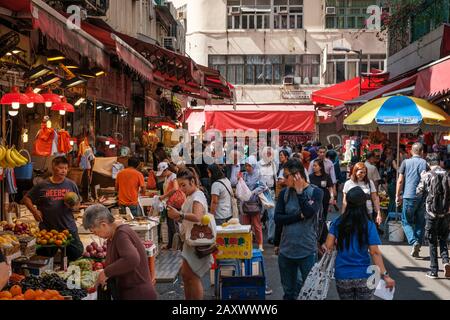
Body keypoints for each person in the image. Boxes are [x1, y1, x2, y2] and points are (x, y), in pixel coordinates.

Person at [324, 187, 395, 300]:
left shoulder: (338, 222)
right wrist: (385, 275)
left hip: (342, 274)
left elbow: (328, 246)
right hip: (363, 274)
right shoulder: (368, 225)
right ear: (363, 204)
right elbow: (374, 252)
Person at [83, 204, 157, 300]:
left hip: (138, 294)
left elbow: (132, 259)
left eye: (95, 232)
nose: (96, 235)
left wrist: (106, 273)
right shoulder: (112, 236)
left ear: (103, 225)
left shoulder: (121, 235)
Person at [274, 159, 323, 300]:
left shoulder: (316, 192)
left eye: (286, 175)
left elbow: (308, 212)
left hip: (307, 250)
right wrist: (277, 243)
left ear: (297, 176)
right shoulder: (284, 193)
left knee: (309, 291)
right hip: (286, 250)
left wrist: (301, 193)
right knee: (289, 292)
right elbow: (278, 219)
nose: (283, 179)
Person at [23, 156, 84, 261]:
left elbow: (78, 204)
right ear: (53, 167)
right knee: (43, 258)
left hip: (68, 228)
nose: (63, 171)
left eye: (65, 168)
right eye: (60, 168)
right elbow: (26, 198)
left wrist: (74, 206)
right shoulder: (42, 185)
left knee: (77, 253)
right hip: (48, 230)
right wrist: (34, 211)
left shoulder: (71, 184)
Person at [167, 168, 212, 300]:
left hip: (196, 241)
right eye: (180, 185)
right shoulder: (191, 196)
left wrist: (179, 214)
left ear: (192, 181)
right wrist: (179, 217)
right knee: (187, 276)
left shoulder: (197, 196)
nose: (181, 188)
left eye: (184, 185)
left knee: (192, 277)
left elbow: (197, 216)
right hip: (190, 240)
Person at [416, 153, 450, 278]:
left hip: (431, 212)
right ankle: (446, 261)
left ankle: (434, 270)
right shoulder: (447, 174)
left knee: (431, 240)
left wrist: (422, 177)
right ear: (439, 162)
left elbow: (418, 191)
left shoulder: (427, 175)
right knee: (443, 239)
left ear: (428, 163)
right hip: (446, 212)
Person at [396, 142, 428, 258]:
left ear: (411, 151)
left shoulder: (405, 162)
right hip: (422, 196)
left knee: (405, 221)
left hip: (408, 196)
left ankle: (414, 241)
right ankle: (417, 244)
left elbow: (400, 181)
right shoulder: (425, 163)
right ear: (422, 152)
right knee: (420, 222)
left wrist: (397, 195)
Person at [240, 155, 268, 252]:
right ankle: (248, 244)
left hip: (255, 203)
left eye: (249, 166)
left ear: (253, 166)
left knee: (257, 225)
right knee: (246, 226)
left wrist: (253, 192)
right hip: (245, 203)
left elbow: (263, 186)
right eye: (246, 165)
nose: (247, 168)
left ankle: (260, 244)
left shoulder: (259, 174)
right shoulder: (244, 175)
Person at [309, 159, 336, 246]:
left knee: (323, 217)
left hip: (324, 199)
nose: (314, 167)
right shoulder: (310, 176)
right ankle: (315, 235)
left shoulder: (326, 176)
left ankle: (322, 237)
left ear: (320, 167)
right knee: (314, 216)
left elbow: (330, 187)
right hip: (313, 200)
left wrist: (332, 197)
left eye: (315, 166)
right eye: (313, 165)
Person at [157, 161, 184, 250]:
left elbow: (175, 188)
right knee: (170, 224)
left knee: (173, 224)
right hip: (169, 202)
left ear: (166, 170)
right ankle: (171, 244)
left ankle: (177, 245)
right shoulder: (168, 177)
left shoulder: (173, 177)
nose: (162, 174)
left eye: (163, 172)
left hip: (174, 203)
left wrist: (164, 196)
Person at [258, 147, 278, 244]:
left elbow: (276, 179)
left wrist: (276, 192)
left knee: (272, 215)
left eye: (270, 154)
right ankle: (257, 236)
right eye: (267, 153)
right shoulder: (258, 164)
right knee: (258, 215)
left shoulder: (273, 164)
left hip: (270, 192)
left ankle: (271, 236)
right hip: (260, 192)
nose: (269, 155)